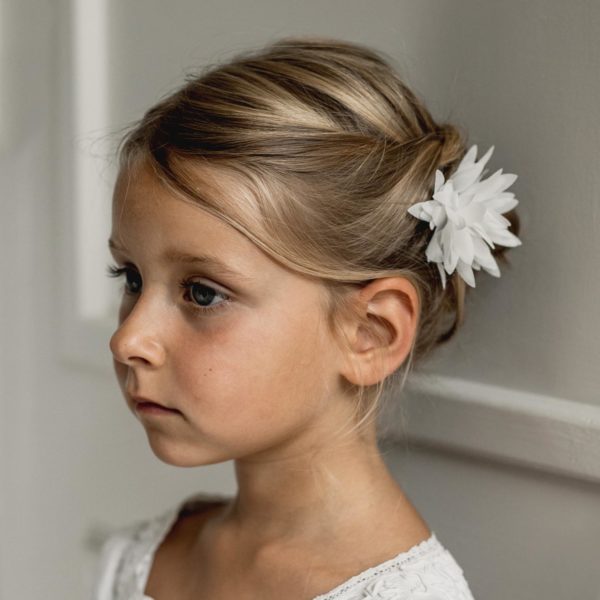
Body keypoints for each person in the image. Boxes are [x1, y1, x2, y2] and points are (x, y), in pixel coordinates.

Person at [92, 36, 521, 599]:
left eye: (201, 293)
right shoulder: (143, 560)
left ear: (371, 333)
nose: (128, 339)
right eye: (131, 278)